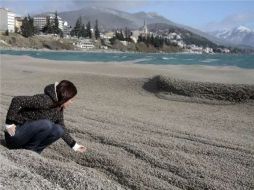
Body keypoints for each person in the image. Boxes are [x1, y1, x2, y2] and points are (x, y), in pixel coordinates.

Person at [4, 80, 86, 154]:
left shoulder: (58, 108)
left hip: (26, 139)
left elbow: (62, 127)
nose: (71, 102)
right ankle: (29, 150)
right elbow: (17, 100)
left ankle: (35, 152)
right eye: (71, 99)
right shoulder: (44, 100)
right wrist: (9, 123)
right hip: (15, 136)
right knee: (46, 124)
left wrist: (75, 145)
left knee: (59, 130)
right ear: (65, 97)